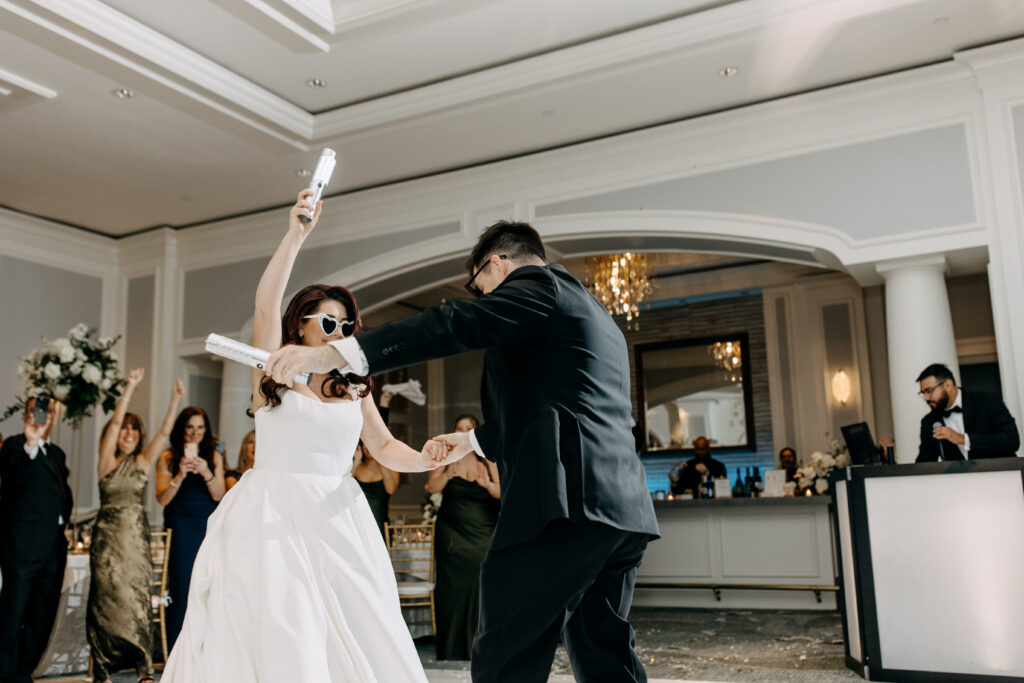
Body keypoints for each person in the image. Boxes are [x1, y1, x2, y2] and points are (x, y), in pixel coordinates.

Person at [267, 219, 660, 682]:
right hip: (621, 510)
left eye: (480, 286)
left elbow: (452, 323)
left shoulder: (539, 287)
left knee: (505, 652)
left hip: (566, 505)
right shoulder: (594, 313)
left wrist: (335, 355)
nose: (484, 298)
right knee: (604, 651)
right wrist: (473, 440)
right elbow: (564, 406)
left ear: (496, 263)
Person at [160, 189, 450, 682]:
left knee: (357, 620)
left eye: (348, 325)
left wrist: (425, 459)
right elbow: (264, 303)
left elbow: (382, 448)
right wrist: (296, 235)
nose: (340, 332)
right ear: (301, 325)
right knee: (282, 621)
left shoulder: (356, 387)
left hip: (337, 515)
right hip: (270, 510)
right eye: (329, 322)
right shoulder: (270, 372)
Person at [87, 369, 184, 683]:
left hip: (136, 542)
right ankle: (102, 667)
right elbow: (114, 422)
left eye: (133, 429)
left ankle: (144, 667)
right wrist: (129, 388)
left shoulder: (143, 462)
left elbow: (165, 431)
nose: (127, 433)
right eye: (124, 429)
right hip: (106, 542)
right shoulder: (106, 462)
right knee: (105, 601)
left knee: (138, 598)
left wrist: (175, 400)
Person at [0, 398, 72, 683]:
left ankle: (22, 670)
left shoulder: (57, 453)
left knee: (42, 617)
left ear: (54, 417)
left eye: (47, 411)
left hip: (53, 548)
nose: (41, 415)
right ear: (26, 415)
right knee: (12, 614)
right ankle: (5, 674)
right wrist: (31, 445)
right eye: (35, 410)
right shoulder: (15, 447)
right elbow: (10, 480)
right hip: (22, 548)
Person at [426, 414, 500, 661]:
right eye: (459, 429)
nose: (464, 433)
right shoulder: (446, 456)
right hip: (452, 534)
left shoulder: (488, 457)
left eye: (469, 429)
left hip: (482, 532)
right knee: (452, 588)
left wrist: (487, 483)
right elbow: (432, 488)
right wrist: (447, 474)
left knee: (484, 585)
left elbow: (502, 492)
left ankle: (482, 646)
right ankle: (452, 648)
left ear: (476, 431)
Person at [155, 406, 226, 650]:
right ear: (182, 429)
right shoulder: (168, 457)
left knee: (208, 586)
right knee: (182, 584)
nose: (195, 433)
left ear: (206, 431)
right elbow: (162, 499)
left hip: (206, 526)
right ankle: (178, 648)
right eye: (190, 427)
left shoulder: (214, 456)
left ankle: (205, 648)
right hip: (181, 527)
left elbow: (219, 496)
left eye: (200, 428)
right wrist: (180, 475)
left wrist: (206, 472)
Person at [913, 363, 1019, 462]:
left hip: (1001, 477)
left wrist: (963, 439)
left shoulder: (988, 402)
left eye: (929, 391)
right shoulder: (929, 422)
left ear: (948, 385)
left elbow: (1011, 440)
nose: (926, 398)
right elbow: (925, 462)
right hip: (957, 481)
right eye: (923, 393)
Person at [352, 392, 399, 537]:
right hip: (357, 526)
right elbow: (347, 490)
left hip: (380, 526)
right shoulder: (357, 466)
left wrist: (382, 458)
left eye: (373, 445)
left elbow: (390, 489)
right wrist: (356, 462)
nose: (369, 448)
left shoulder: (390, 466)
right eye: (366, 444)